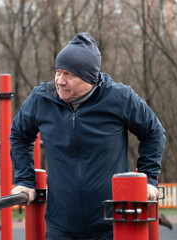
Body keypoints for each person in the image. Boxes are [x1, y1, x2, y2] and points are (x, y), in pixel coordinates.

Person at [10, 32, 166, 239]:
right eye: (58, 72)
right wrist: (25, 179)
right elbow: (19, 135)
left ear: (90, 79)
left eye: (70, 75)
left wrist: (149, 179)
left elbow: (153, 132)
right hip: (61, 225)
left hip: (111, 223)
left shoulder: (119, 98)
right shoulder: (41, 100)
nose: (60, 81)